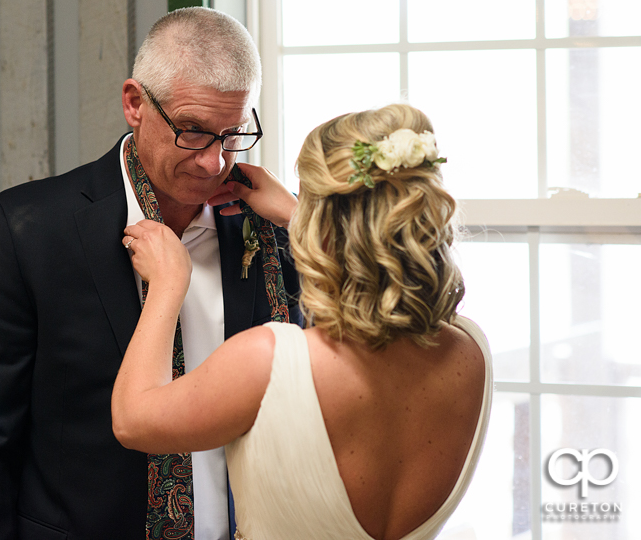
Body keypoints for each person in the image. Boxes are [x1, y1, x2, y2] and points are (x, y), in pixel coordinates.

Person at [0, 7, 302, 540]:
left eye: (233, 134)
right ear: (135, 103)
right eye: (194, 132)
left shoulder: (272, 229)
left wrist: (305, 220)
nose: (213, 162)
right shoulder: (30, 228)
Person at [112, 103, 493, 540]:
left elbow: (132, 420)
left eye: (306, 200)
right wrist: (299, 214)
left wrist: (167, 284)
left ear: (324, 226)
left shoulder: (271, 361)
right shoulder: (470, 351)